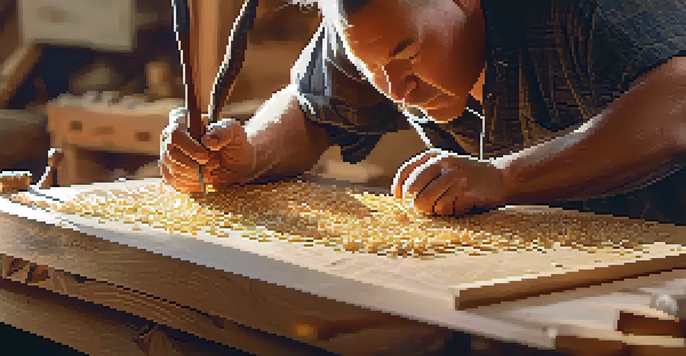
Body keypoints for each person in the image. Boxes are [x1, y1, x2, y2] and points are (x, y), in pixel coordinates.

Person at [161, 0, 686, 226]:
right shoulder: (374, 28)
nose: (394, 89)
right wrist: (245, 156)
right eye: (370, 66)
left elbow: (677, 103)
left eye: (406, 54)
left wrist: (503, 179)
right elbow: (311, 110)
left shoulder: (586, 10)